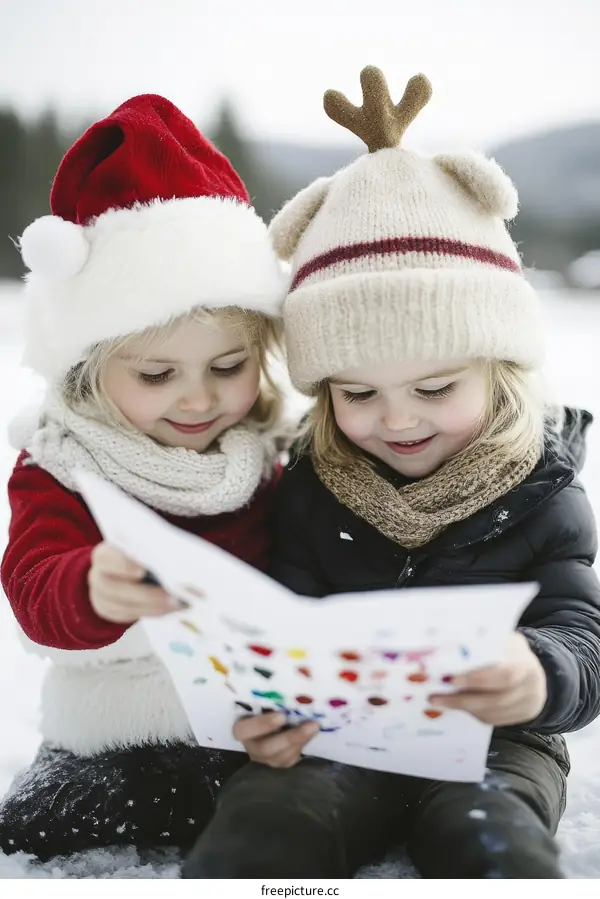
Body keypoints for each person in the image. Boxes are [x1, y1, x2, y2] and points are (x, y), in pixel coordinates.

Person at [183, 67, 600, 879]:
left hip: (496, 739)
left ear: (498, 369)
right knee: (266, 817)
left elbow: (584, 637)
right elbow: (286, 622)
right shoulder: (313, 484)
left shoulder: (542, 489)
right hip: (341, 736)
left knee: (490, 834)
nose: (398, 419)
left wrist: (535, 675)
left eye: (435, 388)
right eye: (360, 392)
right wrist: (264, 710)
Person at [0, 93, 288, 862]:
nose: (198, 398)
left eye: (229, 367)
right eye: (157, 373)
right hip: (116, 729)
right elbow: (33, 582)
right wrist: (89, 586)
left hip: (252, 723)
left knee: (306, 802)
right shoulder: (64, 461)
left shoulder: (265, 452)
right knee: (44, 822)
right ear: (91, 367)